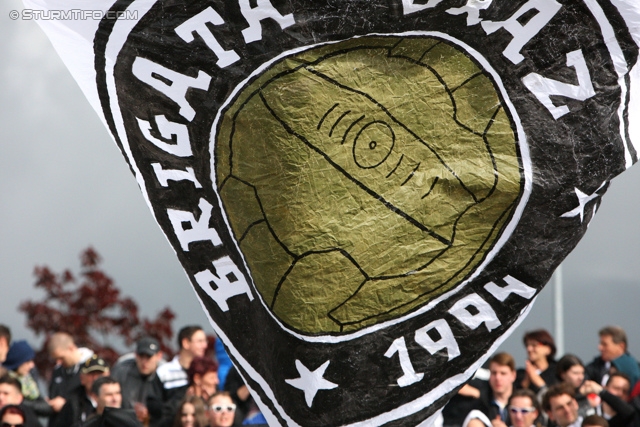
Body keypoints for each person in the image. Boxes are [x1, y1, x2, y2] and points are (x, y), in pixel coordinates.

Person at [147, 326, 208, 427]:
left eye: (205, 341)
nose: (205, 345)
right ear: (185, 343)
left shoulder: (207, 372)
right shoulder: (164, 372)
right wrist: (183, 398)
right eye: (200, 341)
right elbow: (154, 407)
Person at [112, 336, 163, 424]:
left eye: (149, 357)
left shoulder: (164, 376)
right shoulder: (122, 372)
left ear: (159, 356)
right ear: (135, 355)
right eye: (141, 356)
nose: (144, 361)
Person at [47, 332, 94, 425]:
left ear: (71, 348)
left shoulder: (91, 367)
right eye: (55, 359)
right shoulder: (57, 371)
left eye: (61, 357)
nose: (59, 362)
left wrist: (65, 405)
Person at [53, 355, 109, 427]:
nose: (95, 378)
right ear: (82, 378)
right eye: (91, 374)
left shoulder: (117, 399)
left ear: (108, 375)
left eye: (99, 374)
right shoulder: (73, 402)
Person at [462, 353, 517, 427]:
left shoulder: (522, 404)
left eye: (503, 373)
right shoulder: (480, 404)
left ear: (513, 375)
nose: (498, 378)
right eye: (494, 373)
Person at [516, 330, 558, 394]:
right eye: (527, 345)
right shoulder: (520, 374)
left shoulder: (557, 372)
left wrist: (537, 380)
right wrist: (526, 381)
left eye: (534, 345)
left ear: (548, 349)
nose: (529, 349)